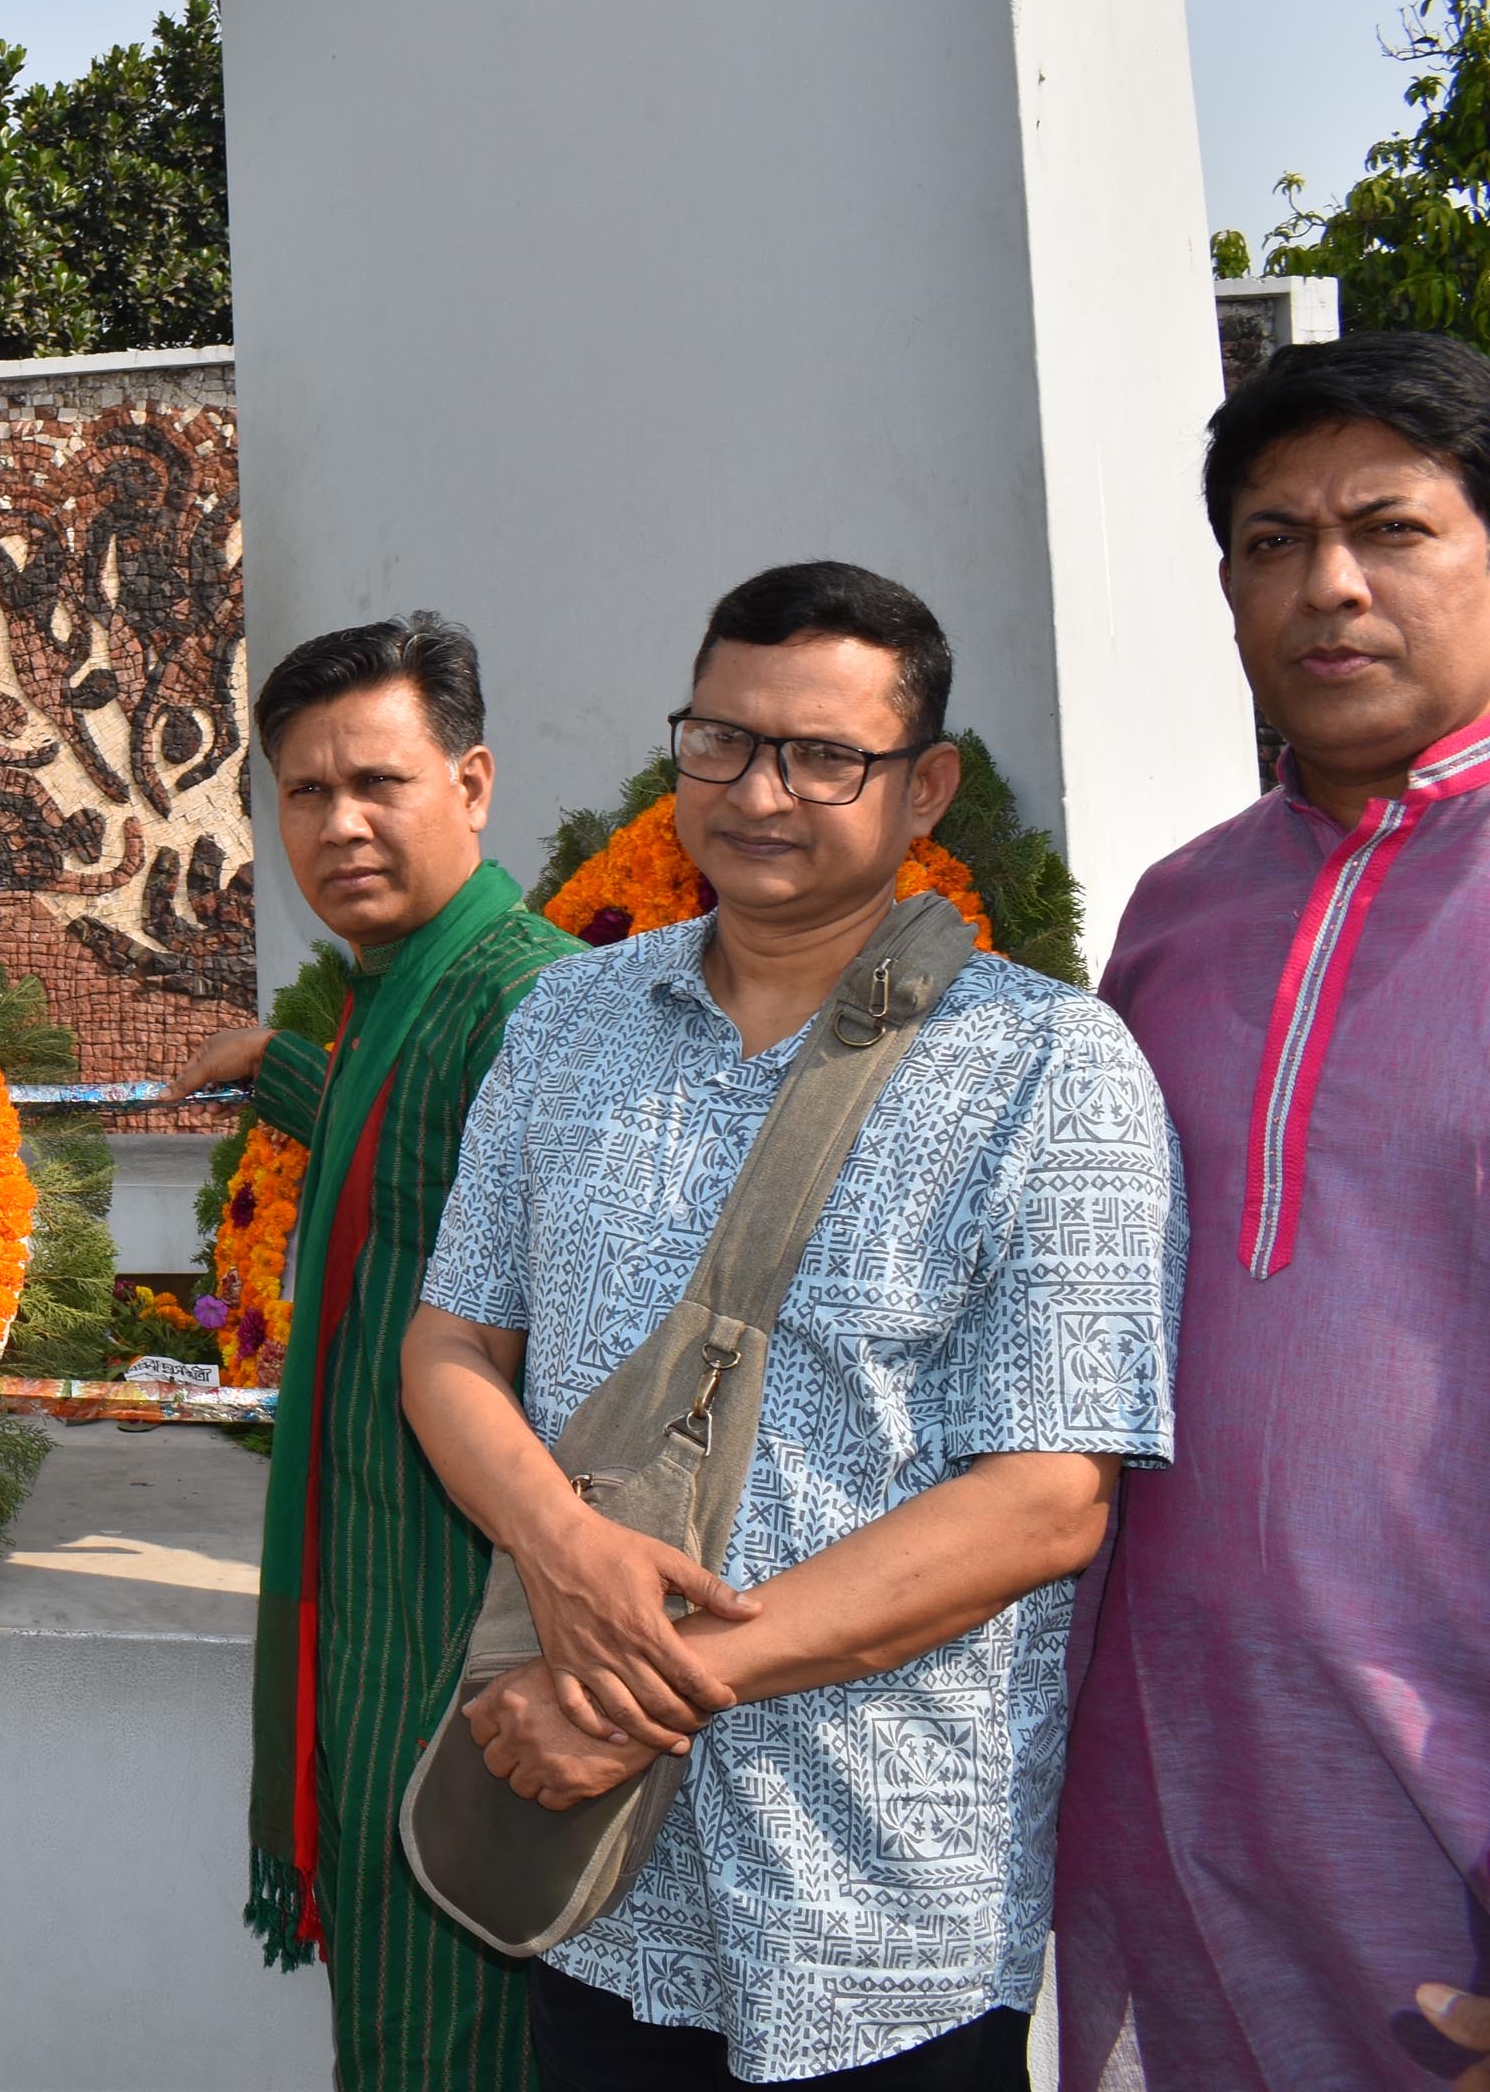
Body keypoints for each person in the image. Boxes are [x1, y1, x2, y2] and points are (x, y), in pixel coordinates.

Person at [402, 561, 1182, 2089]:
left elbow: (1044, 1502)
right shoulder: (567, 1020)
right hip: (590, 1874)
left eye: (826, 757)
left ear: (927, 786)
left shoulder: (1050, 1067)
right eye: (722, 742)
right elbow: (450, 1347)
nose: (761, 791)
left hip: (878, 1898)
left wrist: (637, 1689)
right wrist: (564, 1555)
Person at [1053, 330, 1490, 2090]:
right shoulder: (1180, 915)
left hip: (1443, 1831)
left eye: (1391, 529)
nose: (1330, 587)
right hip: (1187, 1810)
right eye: (1269, 542)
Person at [162, 614, 578, 2090]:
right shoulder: (397, 1000)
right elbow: (402, 1173)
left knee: (445, 2038)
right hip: (384, 1612)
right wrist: (280, 1070)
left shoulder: (528, 1005)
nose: (338, 825)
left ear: (471, 783)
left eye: (380, 783)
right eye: (303, 792)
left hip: (464, 1641)